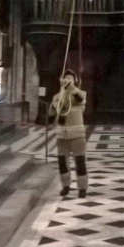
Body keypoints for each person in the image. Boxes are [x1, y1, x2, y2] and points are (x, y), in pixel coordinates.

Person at [50, 69, 88, 197]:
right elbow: (52, 115)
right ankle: (65, 185)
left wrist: (70, 87)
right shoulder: (57, 96)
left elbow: (80, 99)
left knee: (80, 161)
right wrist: (53, 106)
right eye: (65, 78)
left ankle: (82, 188)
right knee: (62, 162)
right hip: (62, 134)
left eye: (70, 78)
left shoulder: (80, 93)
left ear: (74, 80)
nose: (67, 80)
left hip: (77, 133)